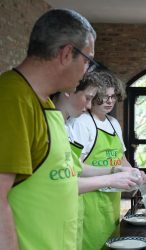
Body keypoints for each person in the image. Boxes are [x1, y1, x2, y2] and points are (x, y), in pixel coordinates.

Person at [0, 8, 96, 250]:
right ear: (66, 54)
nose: (87, 70)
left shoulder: (43, 102)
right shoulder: (12, 98)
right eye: (87, 61)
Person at [52, 71, 143, 250]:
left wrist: (134, 173)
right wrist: (112, 173)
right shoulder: (81, 123)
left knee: (111, 243)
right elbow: (75, 167)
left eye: (112, 96)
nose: (109, 101)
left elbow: (121, 158)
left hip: (110, 201)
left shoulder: (113, 123)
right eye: (103, 97)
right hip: (89, 201)